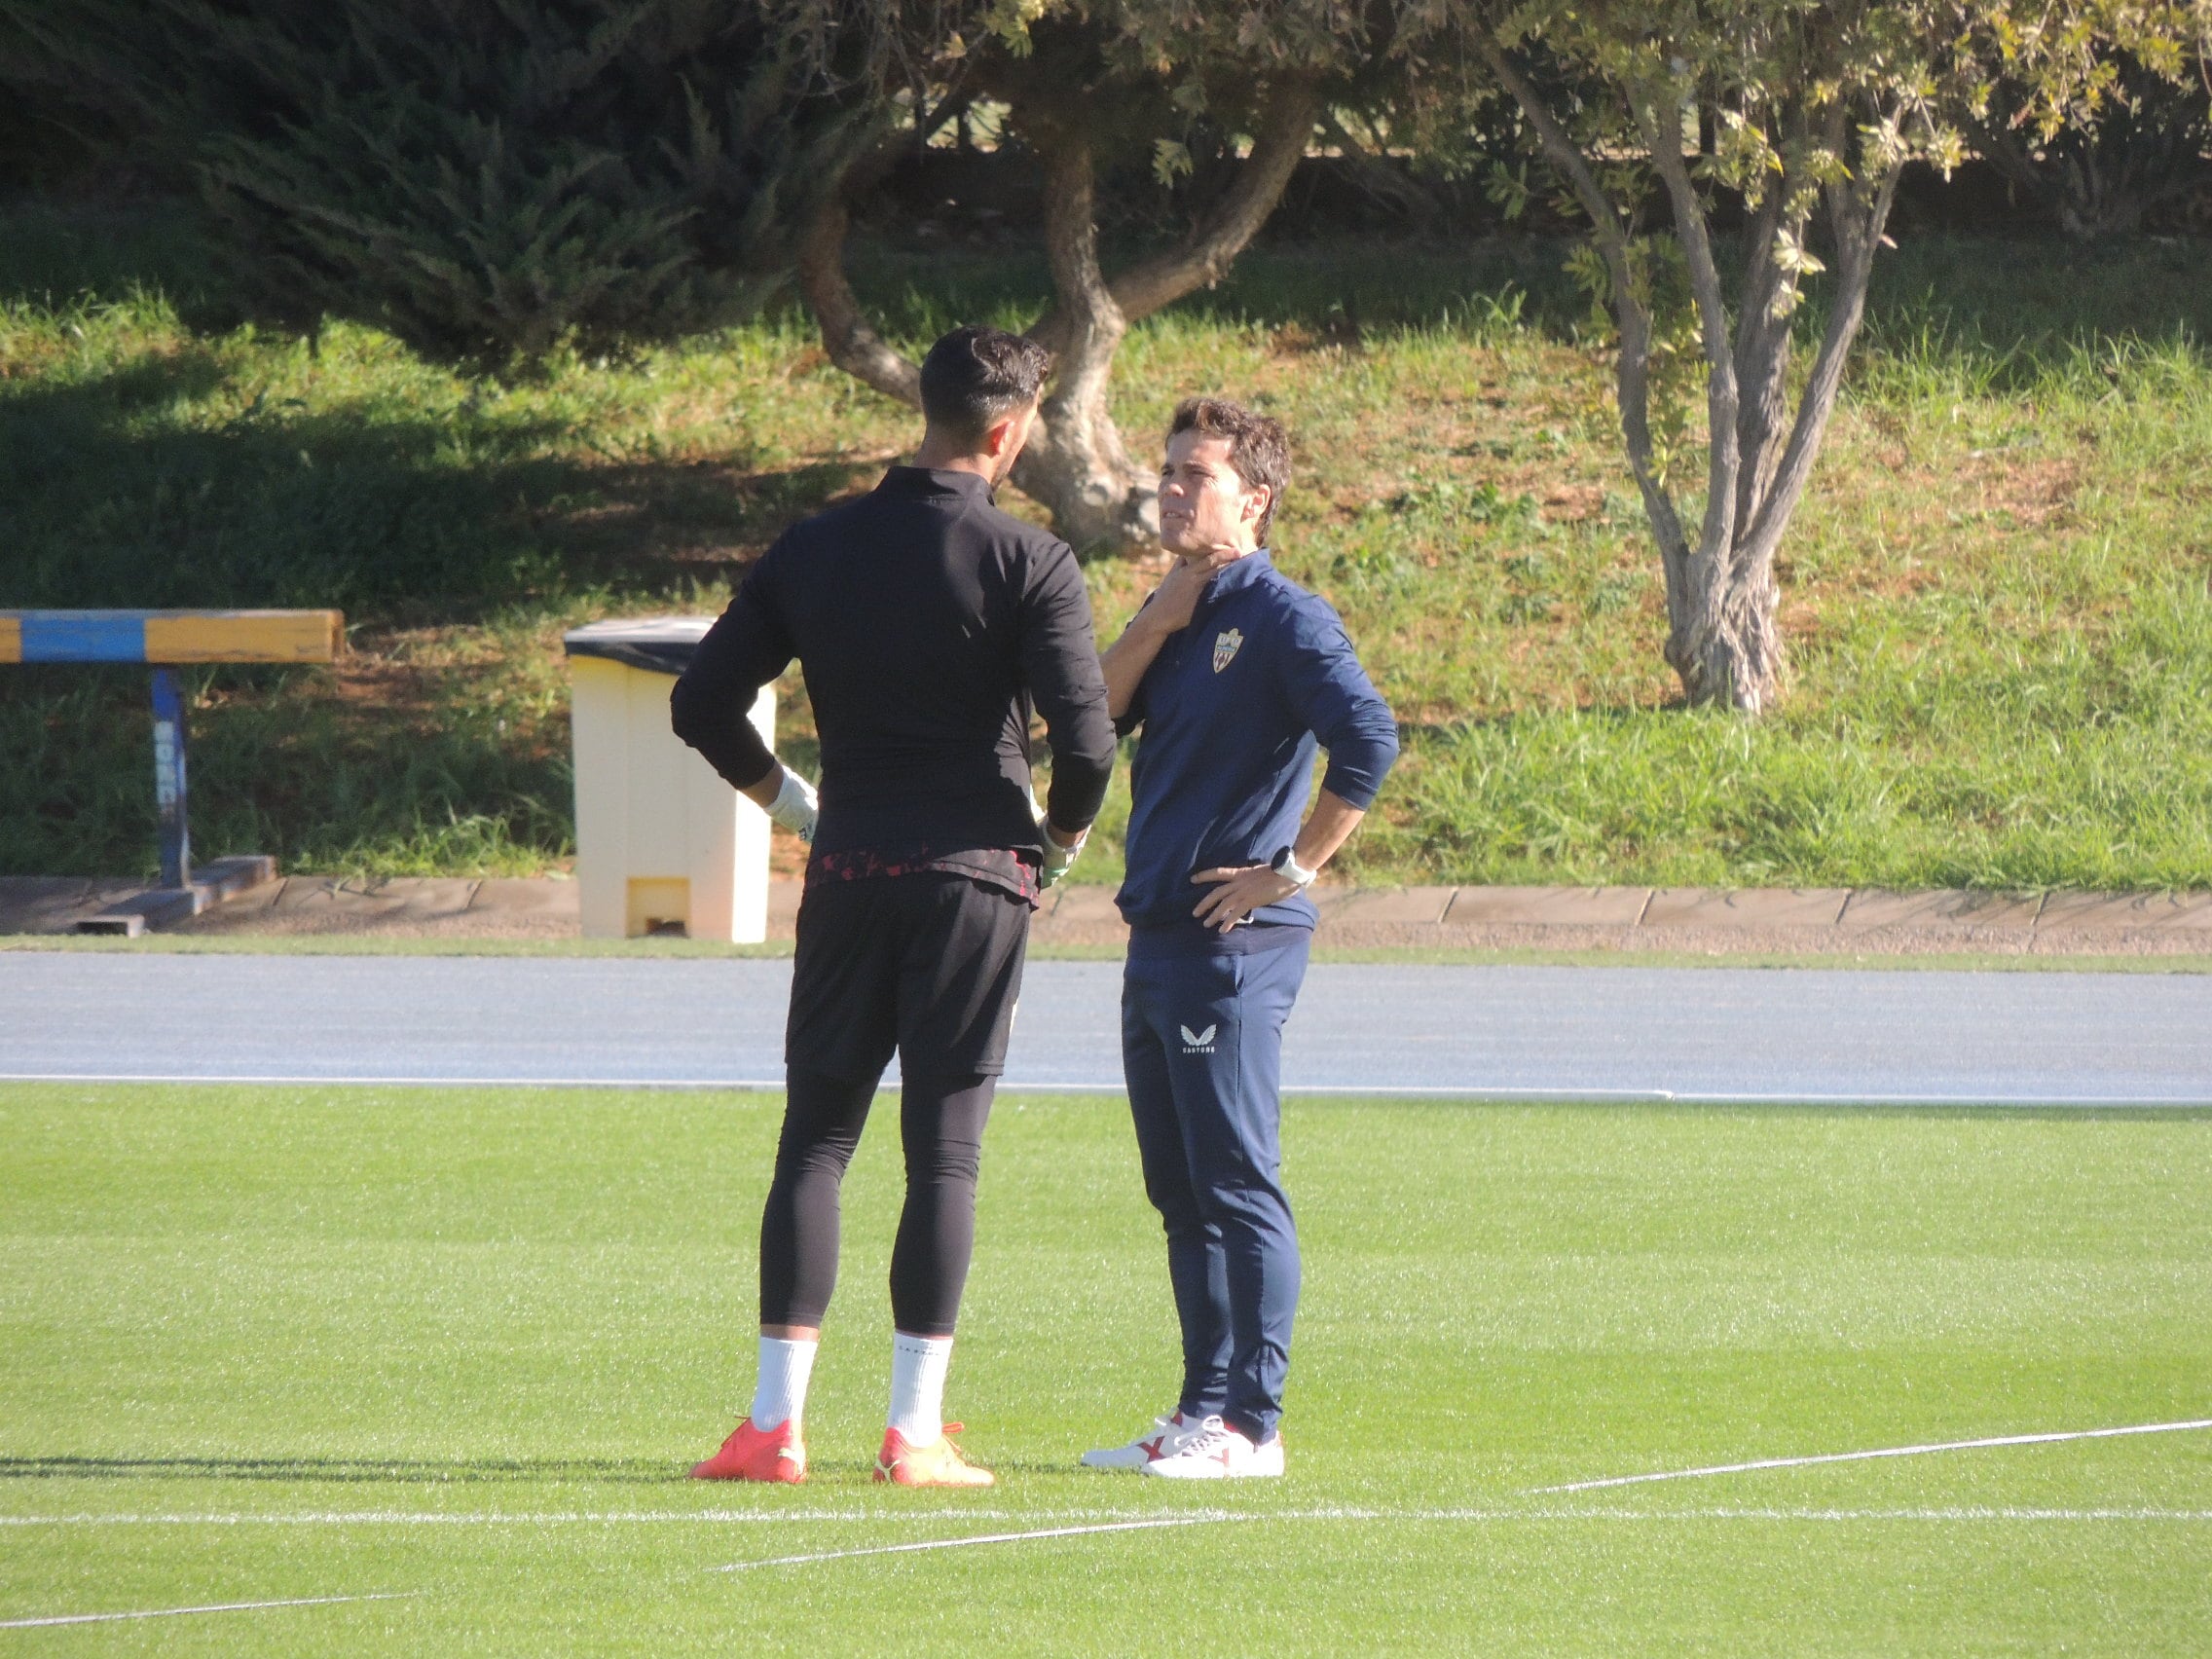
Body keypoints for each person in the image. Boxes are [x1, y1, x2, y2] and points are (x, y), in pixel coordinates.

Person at [670, 325, 1115, 1489]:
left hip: (853, 866)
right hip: (975, 874)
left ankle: (773, 1428)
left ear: (925, 410)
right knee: (944, 1157)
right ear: (1009, 431)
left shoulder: (817, 547)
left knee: (816, 1137)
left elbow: (704, 701)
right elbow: (1087, 747)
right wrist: (1055, 846)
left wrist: (791, 799)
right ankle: (911, 1434)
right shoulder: (1033, 561)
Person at [1081, 397, 1397, 1479]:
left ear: (1255, 500)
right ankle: (1198, 1407)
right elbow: (1086, 722)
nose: (1169, 490)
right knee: (1178, 1189)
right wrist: (1158, 621)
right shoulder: (1178, 611)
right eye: (1166, 472)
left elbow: (1369, 741)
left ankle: (1252, 1426)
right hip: (1157, 935)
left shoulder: (1284, 617)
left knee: (1235, 1179)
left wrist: (1291, 870)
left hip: (1234, 943)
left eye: (1194, 476)